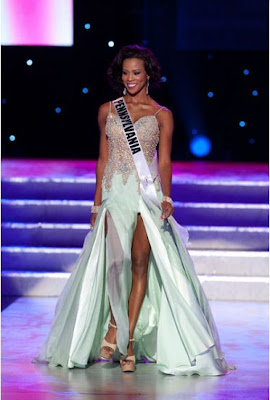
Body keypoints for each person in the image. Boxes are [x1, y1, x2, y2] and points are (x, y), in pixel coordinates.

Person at [33, 44, 231, 375]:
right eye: (125, 73)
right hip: (115, 194)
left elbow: (164, 160)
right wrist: (96, 201)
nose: (130, 79)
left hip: (145, 194)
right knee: (116, 263)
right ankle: (114, 323)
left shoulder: (162, 115)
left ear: (149, 74)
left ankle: (127, 342)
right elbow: (103, 160)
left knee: (140, 264)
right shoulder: (107, 110)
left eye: (136, 72)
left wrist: (166, 197)